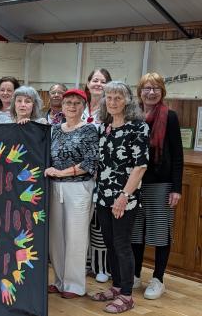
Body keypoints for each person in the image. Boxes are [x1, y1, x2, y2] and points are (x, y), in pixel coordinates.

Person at [91, 81, 148, 314]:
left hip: (125, 197)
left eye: (118, 97)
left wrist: (124, 196)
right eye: (109, 98)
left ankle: (127, 296)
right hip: (103, 196)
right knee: (110, 244)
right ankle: (116, 286)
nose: (113, 102)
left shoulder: (138, 127)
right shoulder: (105, 127)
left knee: (123, 245)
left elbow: (140, 166)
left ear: (128, 101)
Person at [131, 73, 183, 299]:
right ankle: (134, 274)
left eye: (156, 89)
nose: (151, 93)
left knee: (160, 233)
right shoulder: (132, 115)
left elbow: (178, 155)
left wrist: (176, 188)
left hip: (161, 183)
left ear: (162, 92)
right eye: (146, 88)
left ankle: (158, 279)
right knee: (135, 232)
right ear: (139, 91)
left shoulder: (169, 116)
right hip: (134, 182)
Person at [45, 89, 98, 299]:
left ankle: (75, 285)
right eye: (68, 103)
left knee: (75, 237)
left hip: (78, 187)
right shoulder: (55, 130)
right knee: (56, 237)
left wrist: (62, 172)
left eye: (77, 103)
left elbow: (90, 162)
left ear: (83, 106)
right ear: (62, 106)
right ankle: (59, 281)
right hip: (55, 187)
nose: (72, 106)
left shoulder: (89, 130)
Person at [85, 68, 113, 283]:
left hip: (101, 173)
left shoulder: (109, 110)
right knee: (82, 221)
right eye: (94, 80)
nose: (98, 84)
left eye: (102, 81)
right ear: (88, 83)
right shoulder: (80, 106)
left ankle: (101, 266)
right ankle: (85, 262)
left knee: (98, 221)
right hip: (79, 173)